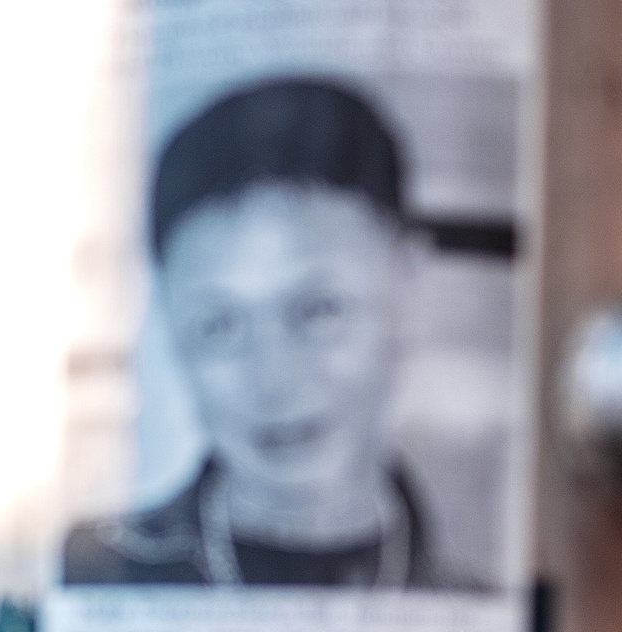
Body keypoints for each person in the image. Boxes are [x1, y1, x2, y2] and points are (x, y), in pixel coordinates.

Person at [63, 79, 473, 590]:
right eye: (220, 325)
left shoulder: (474, 596)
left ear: (409, 279)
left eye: (318, 311)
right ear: (168, 320)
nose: (274, 378)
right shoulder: (93, 571)